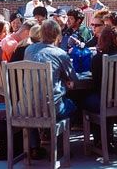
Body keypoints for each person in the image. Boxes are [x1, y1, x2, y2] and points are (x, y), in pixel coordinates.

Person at [24, 19, 78, 158]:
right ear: (58, 35)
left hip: (26, 106)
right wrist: (66, 80)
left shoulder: (28, 50)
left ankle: (35, 146)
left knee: (33, 105)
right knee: (72, 105)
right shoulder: (60, 53)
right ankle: (60, 149)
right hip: (52, 107)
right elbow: (73, 79)